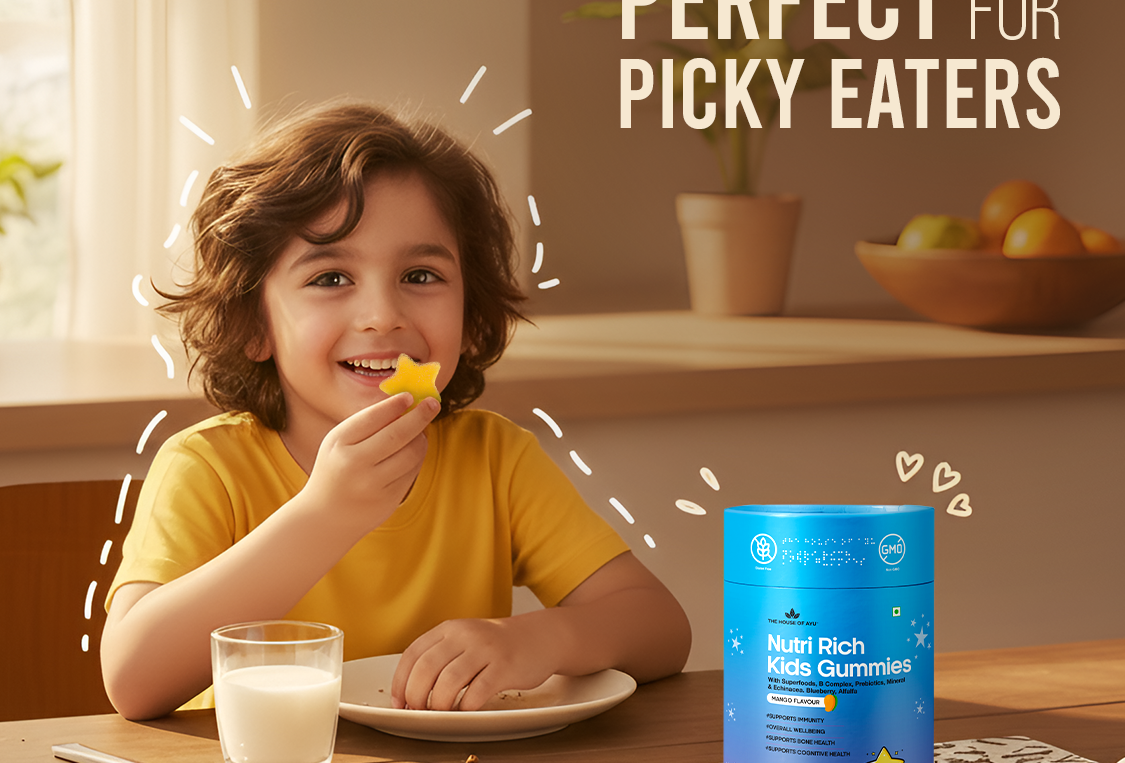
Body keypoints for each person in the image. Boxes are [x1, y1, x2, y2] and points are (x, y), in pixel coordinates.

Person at [101, 102, 691, 720]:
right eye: (330, 279)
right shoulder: (208, 467)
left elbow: (662, 628)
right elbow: (134, 682)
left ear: (471, 314)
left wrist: (538, 639)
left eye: (420, 274)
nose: (383, 314)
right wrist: (326, 514)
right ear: (255, 325)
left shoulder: (496, 459)